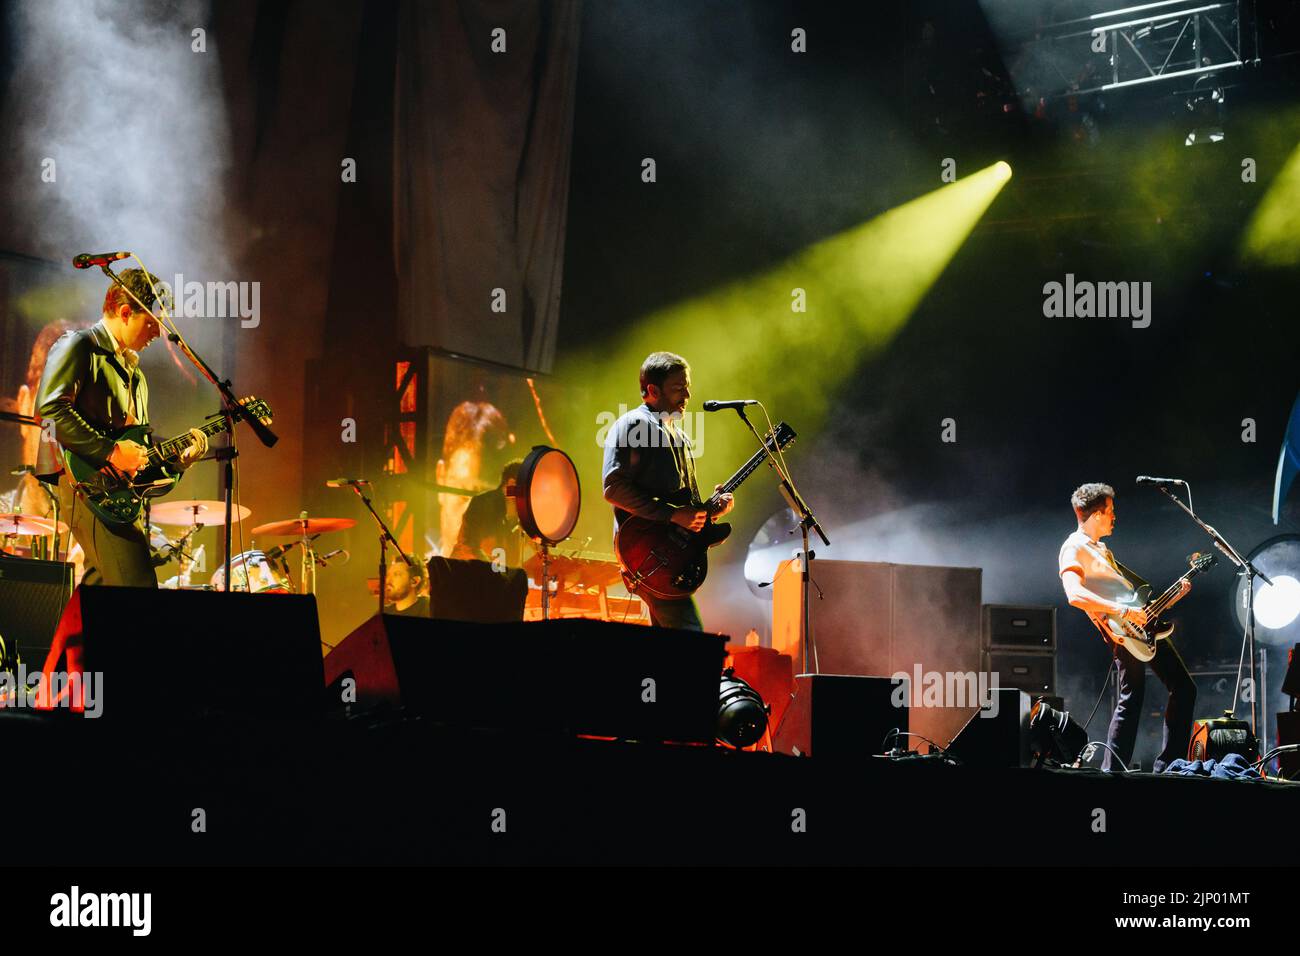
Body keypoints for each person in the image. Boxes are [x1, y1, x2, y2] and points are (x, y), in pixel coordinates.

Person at [34, 268, 207, 587]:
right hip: (84, 484)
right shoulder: (79, 345)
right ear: (126, 312)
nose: (158, 333)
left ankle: (71, 639)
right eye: (153, 322)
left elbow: (136, 460)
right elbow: (48, 412)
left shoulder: (138, 378)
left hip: (114, 495)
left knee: (101, 591)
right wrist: (110, 452)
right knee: (137, 588)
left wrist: (177, 463)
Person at [1058, 482, 1196, 773]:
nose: (1114, 517)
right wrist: (1121, 611)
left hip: (1137, 626)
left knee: (1181, 688)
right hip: (1121, 630)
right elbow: (1074, 594)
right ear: (1095, 514)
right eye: (1110, 511)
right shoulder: (1073, 547)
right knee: (1132, 698)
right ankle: (1114, 771)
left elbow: (1136, 602)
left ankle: (1168, 766)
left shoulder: (1102, 551)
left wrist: (1171, 599)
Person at [602, 351, 733, 631]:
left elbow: (685, 508)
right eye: (678, 388)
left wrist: (710, 512)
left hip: (670, 558)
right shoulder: (634, 425)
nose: (687, 395)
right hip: (649, 555)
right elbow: (614, 488)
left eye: (687, 386)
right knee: (692, 646)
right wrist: (672, 515)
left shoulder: (681, 438)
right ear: (652, 390)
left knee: (669, 659)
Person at [453, 458, 527, 566]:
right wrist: (491, 571)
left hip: (499, 576)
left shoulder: (521, 511)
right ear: (512, 483)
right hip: (472, 574)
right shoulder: (482, 503)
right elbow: (467, 543)